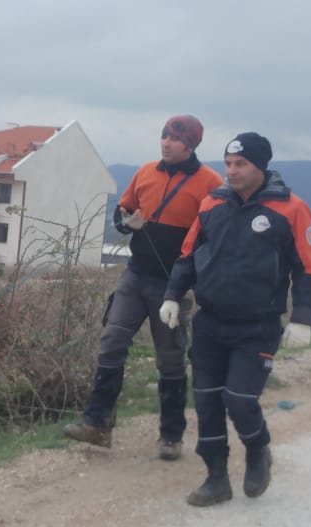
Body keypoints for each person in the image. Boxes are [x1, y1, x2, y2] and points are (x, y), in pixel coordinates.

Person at [160, 132, 311, 506]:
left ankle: (258, 449)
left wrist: (302, 317)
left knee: (239, 400)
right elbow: (188, 255)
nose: (231, 171)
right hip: (210, 322)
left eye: (240, 164)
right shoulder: (212, 203)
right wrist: (172, 295)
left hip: (257, 326)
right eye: (228, 164)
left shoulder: (291, 209)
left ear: (260, 166)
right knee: (207, 402)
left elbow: (307, 269)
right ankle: (216, 478)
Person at [63, 115, 223, 460]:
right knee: (110, 342)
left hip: (173, 285)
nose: (166, 142)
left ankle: (171, 436)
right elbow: (123, 210)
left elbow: (214, 236)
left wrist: (194, 282)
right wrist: (124, 220)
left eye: (175, 138)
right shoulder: (146, 171)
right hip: (135, 276)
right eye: (164, 135)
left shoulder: (210, 182)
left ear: (191, 145)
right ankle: (97, 424)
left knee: (169, 360)